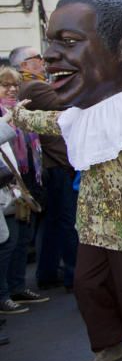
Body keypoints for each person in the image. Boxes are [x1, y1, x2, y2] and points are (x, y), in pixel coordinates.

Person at [14, 0, 122, 361]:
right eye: (50, 43)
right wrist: (17, 113)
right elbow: (49, 122)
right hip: (93, 223)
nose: (49, 56)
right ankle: (108, 345)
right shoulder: (82, 114)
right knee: (87, 284)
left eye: (68, 42)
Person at [10, 46, 77, 292]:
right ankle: (71, 272)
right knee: (65, 221)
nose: (41, 60)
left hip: (49, 163)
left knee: (52, 223)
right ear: (23, 66)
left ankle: (49, 272)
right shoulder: (34, 87)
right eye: (35, 58)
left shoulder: (32, 86)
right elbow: (65, 103)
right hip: (55, 163)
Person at [0, 90, 46, 316]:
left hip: (15, 183)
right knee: (7, 243)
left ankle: (16, 288)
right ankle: (4, 295)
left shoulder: (13, 112)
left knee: (19, 238)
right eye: (5, 84)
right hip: (7, 186)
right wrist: (10, 119)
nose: (10, 89)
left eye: (14, 84)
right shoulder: (8, 115)